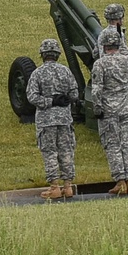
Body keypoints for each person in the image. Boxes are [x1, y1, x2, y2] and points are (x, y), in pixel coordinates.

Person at [26, 38, 78, 200]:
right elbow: (75, 94)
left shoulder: (37, 73)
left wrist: (49, 101)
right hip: (64, 119)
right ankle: (68, 186)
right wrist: (62, 100)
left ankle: (54, 187)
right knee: (66, 151)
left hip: (46, 120)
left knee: (50, 152)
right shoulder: (65, 71)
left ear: (42, 55)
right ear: (57, 54)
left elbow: (32, 96)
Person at [92, 28, 128, 196]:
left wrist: (97, 108)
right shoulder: (127, 61)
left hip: (108, 110)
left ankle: (120, 181)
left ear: (104, 46)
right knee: (127, 144)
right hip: (126, 107)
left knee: (113, 145)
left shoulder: (100, 64)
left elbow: (97, 90)